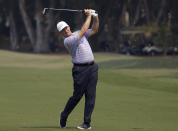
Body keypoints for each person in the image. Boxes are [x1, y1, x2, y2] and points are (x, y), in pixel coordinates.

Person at [57, 9, 99, 129]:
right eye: (63, 30)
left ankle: (86, 123)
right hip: (80, 70)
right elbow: (84, 30)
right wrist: (89, 15)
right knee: (77, 96)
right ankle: (64, 114)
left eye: (66, 27)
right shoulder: (68, 41)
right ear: (61, 33)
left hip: (92, 68)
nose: (66, 30)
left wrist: (95, 16)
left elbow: (94, 29)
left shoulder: (77, 33)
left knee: (91, 95)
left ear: (68, 26)